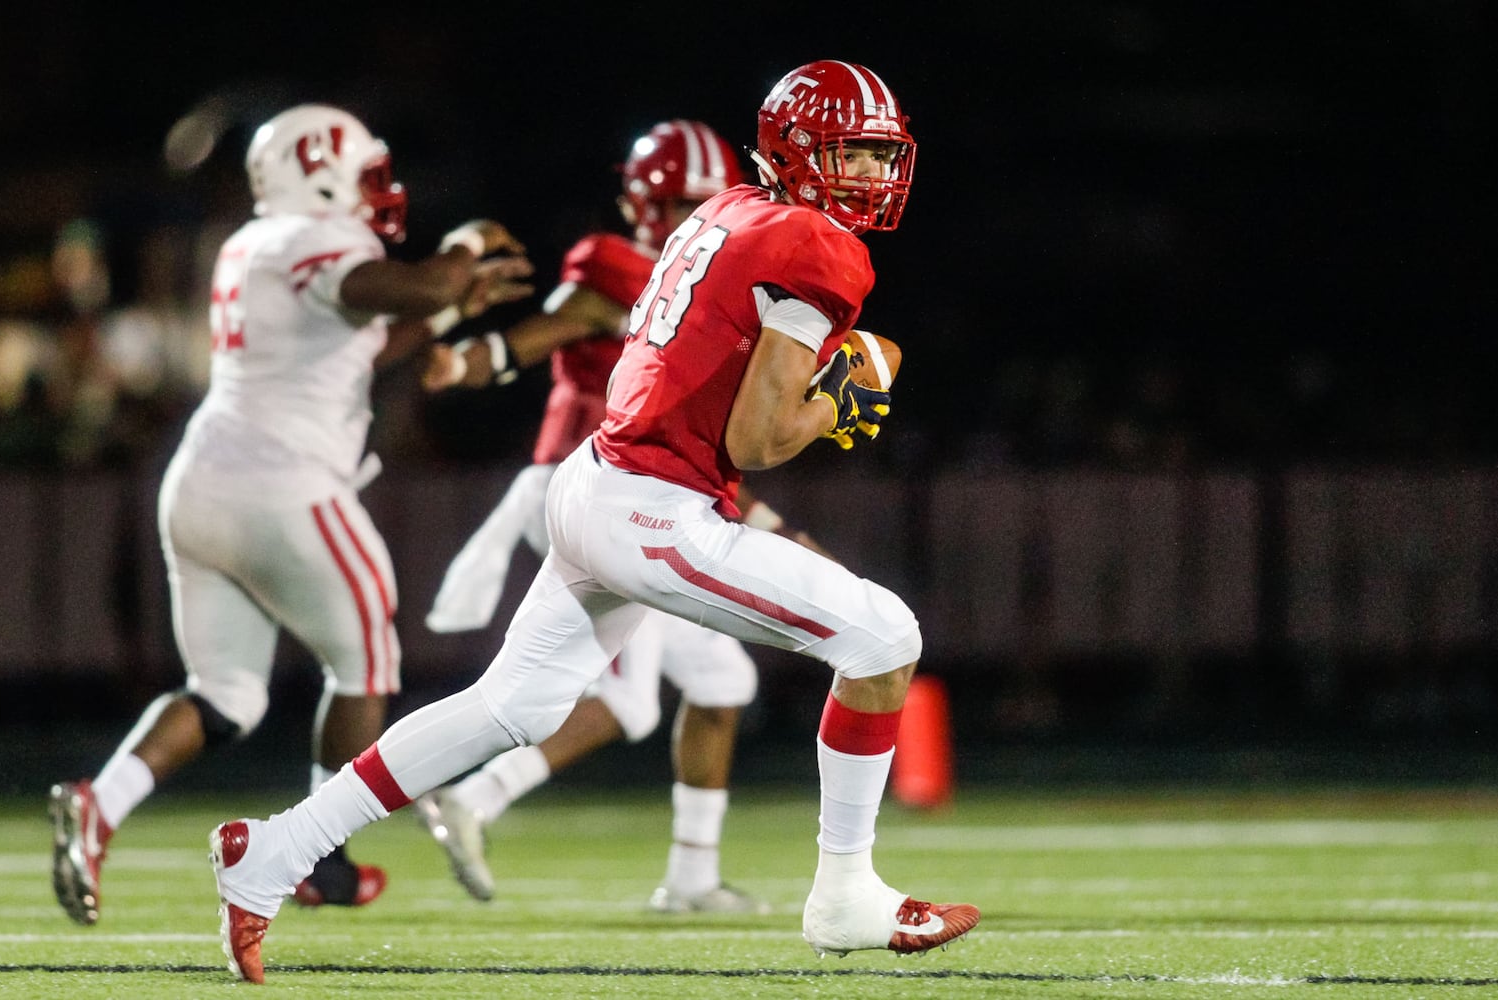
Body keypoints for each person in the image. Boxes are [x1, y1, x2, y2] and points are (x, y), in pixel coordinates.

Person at [210, 62, 979, 984]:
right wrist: (844, 398)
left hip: (596, 480)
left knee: (512, 706)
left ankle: (273, 850)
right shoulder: (816, 246)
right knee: (884, 635)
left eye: (878, 156)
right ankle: (845, 893)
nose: (869, 176)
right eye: (851, 153)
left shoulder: (730, 208)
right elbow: (760, 437)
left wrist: (826, 380)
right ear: (798, 151)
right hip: (652, 504)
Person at [48, 103, 535, 926]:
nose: (381, 193)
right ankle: (316, 858)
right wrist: (463, 255)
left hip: (201, 483)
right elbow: (418, 283)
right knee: (366, 666)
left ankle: (102, 801)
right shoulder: (315, 240)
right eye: (367, 175)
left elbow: (361, 345)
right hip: (285, 487)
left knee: (227, 693)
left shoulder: (250, 243)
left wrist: (445, 309)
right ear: (321, 173)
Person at [413, 120, 824, 913]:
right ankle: (473, 797)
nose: (689, 216)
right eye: (677, 202)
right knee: (628, 702)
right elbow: (554, 325)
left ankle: (692, 879)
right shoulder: (625, 268)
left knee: (721, 679)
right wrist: (468, 360)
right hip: (593, 492)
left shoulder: (715, 276)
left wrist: (762, 520)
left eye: (701, 202)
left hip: (652, 492)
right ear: (642, 200)